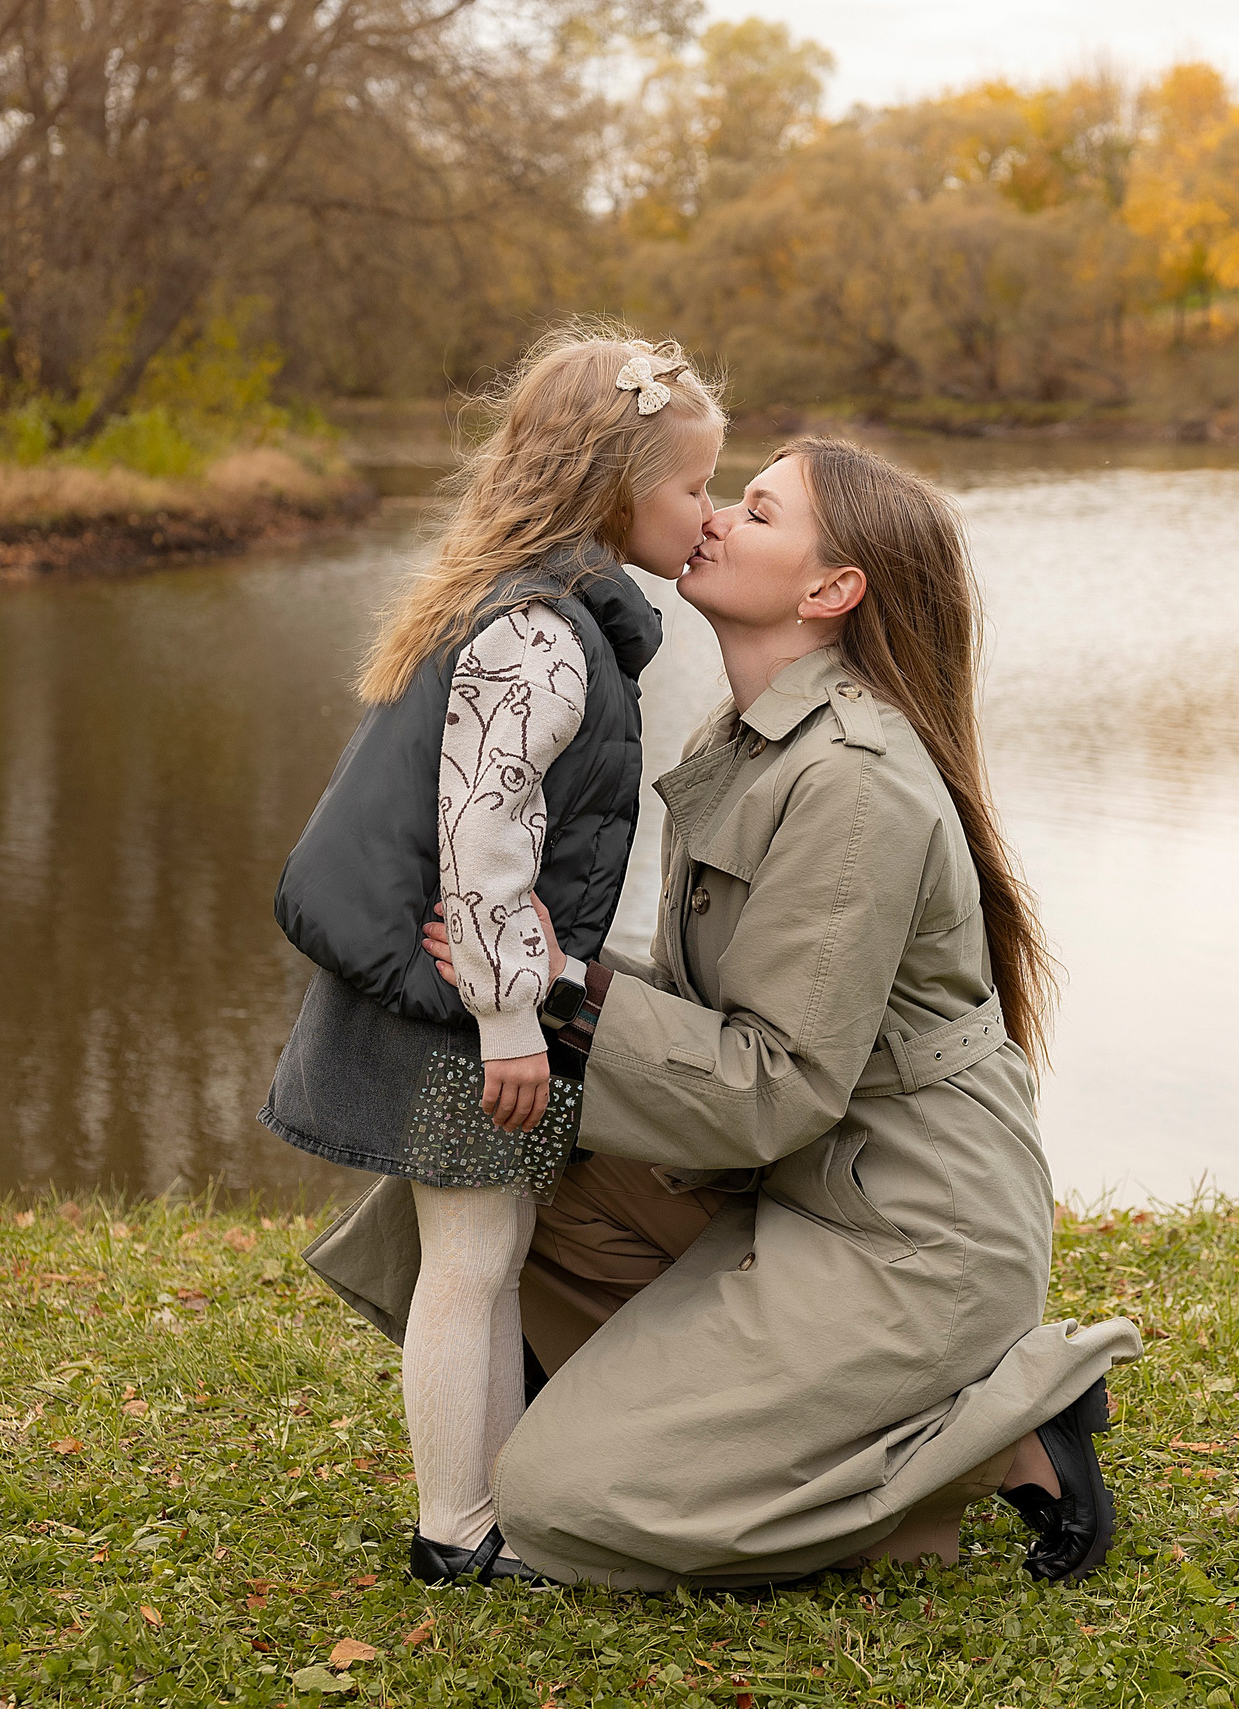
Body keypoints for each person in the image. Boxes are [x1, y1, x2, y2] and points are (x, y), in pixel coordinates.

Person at [309, 436, 1137, 1589]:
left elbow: (773, 1085)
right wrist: (533, 977)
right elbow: (718, 1006)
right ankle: (713, 1425)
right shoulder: (742, 743)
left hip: (901, 1231)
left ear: (827, 590)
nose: (713, 519)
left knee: (557, 1498)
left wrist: (562, 986)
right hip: (792, 1181)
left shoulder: (851, 779)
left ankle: (997, 1434)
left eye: (755, 510)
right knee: (490, 1153)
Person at [259, 323, 723, 1586]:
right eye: (691, 486)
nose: (708, 512)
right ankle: (455, 1527)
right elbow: (486, 836)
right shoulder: (542, 634)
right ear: (612, 485)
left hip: (460, 987)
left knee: (491, 1249)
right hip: (461, 1006)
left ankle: (489, 1505)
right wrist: (512, 1015)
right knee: (469, 1260)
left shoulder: (535, 608)